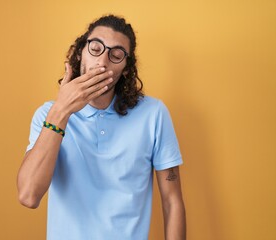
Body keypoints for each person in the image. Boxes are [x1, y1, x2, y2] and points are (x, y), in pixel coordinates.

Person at [17, 15, 186, 240]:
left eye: (116, 55)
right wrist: (61, 111)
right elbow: (28, 196)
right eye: (95, 48)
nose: (102, 62)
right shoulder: (49, 115)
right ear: (80, 54)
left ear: (126, 68)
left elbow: (172, 202)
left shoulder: (153, 114)